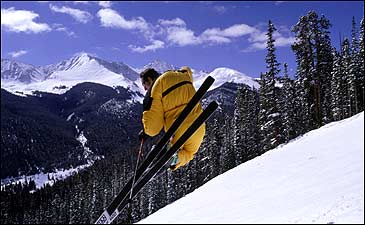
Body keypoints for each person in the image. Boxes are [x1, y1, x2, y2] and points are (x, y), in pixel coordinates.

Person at [139, 67, 206, 171]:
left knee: (179, 150)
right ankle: (174, 158)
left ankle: (169, 157)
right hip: (199, 127)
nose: (145, 89)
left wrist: (146, 131)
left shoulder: (156, 86)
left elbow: (153, 128)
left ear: (150, 79)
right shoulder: (184, 76)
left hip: (178, 130)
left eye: (144, 85)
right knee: (190, 152)